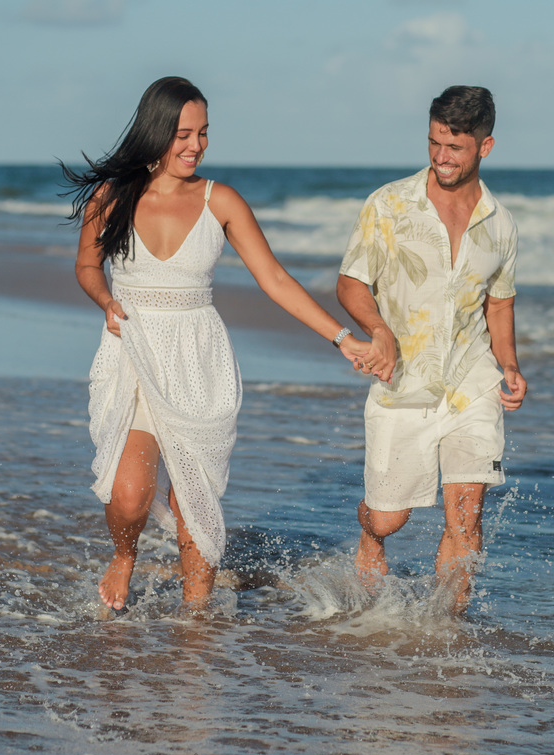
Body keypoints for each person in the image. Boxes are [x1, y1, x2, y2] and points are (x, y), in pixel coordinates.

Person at [61, 77, 368, 613]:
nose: (195, 146)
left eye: (203, 134)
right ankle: (124, 554)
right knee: (129, 494)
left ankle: (195, 623)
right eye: (182, 134)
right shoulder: (111, 197)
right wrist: (105, 300)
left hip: (197, 360)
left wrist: (342, 337)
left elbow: (273, 279)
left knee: (192, 504)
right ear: (155, 132)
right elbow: (88, 265)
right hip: (133, 355)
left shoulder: (219, 200)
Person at [336, 85, 527, 615]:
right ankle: (369, 535)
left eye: (455, 148)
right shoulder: (389, 204)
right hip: (404, 384)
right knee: (388, 518)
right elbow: (351, 284)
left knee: (465, 515)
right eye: (434, 143)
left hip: (471, 382)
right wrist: (379, 329)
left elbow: (499, 304)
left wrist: (509, 366)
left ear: (485, 147)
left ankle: (446, 630)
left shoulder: (501, 224)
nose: (441, 157)